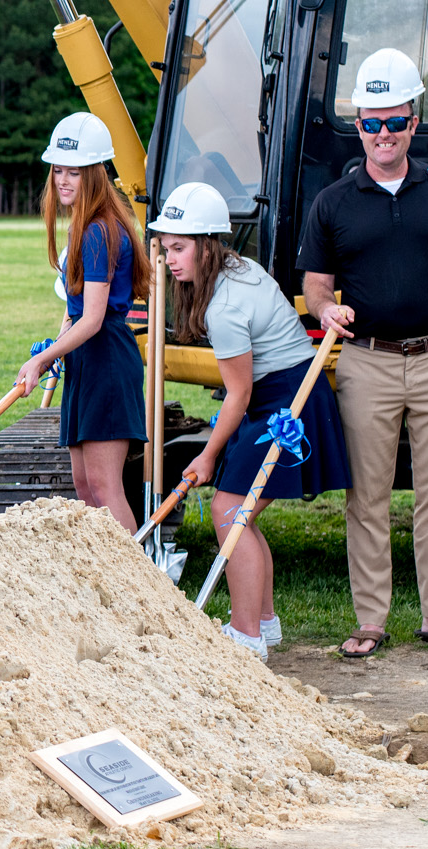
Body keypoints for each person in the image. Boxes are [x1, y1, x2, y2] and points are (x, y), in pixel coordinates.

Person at [300, 48, 428, 660]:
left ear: (414, 122)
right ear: (357, 124)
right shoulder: (334, 201)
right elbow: (313, 281)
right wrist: (324, 309)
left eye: (395, 121)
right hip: (367, 362)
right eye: (371, 122)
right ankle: (370, 621)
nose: (383, 134)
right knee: (368, 495)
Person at [149, 182, 352, 660]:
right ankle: (263, 623)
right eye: (165, 248)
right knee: (241, 513)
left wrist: (207, 453)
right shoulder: (239, 268)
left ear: (208, 243)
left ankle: (246, 638)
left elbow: (238, 395)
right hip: (278, 391)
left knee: (229, 511)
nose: (171, 259)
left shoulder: (225, 306)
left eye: (180, 248)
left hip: (289, 399)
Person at [17, 111, 151, 530]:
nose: (62, 181)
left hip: (107, 359)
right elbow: (73, 310)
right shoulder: (83, 226)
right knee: (84, 485)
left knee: (105, 488)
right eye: (58, 170)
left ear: (96, 174)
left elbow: (92, 319)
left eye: (74, 172)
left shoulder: (99, 230)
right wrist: (56, 349)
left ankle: (137, 587)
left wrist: (42, 361)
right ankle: (106, 583)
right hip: (85, 360)